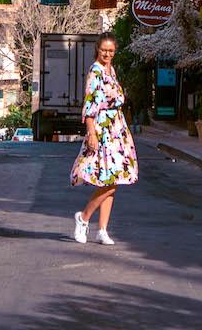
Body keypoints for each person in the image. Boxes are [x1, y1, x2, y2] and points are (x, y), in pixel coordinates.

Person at [70, 32, 138, 245]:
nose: (107, 54)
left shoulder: (111, 70)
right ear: (97, 49)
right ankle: (83, 217)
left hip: (117, 129)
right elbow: (90, 105)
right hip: (102, 130)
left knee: (114, 179)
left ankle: (102, 230)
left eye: (111, 51)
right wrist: (91, 133)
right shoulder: (95, 72)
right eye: (104, 50)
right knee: (108, 179)